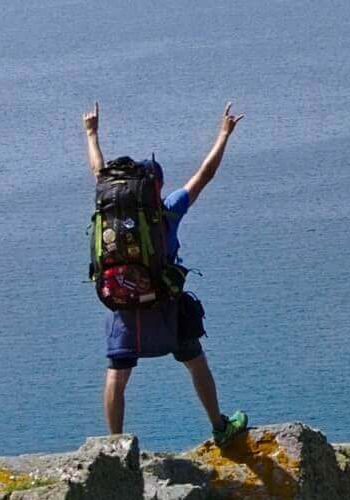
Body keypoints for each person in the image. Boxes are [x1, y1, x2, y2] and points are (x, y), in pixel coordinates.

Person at [84, 102, 250, 447]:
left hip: (123, 303)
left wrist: (91, 134)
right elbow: (204, 175)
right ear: (155, 186)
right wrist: (223, 135)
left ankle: (114, 445)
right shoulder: (167, 211)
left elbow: (98, 173)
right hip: (164, 304)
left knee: (117, 370)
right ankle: (219, 427)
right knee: (195, 360)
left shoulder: (109, 205)